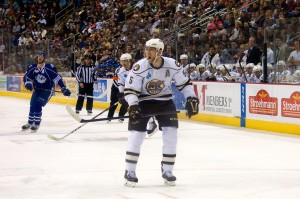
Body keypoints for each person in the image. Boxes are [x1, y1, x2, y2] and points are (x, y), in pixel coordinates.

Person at [123, 38, 199, 187]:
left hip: (165, 102)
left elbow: (184, 84)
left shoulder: (172, 65)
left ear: (159, 51)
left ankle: (168, 170)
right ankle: (129, 171)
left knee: (171, 135)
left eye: (151, 49)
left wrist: (191, 98)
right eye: (146, 49)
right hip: (143, 102)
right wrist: (133, 105)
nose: (147, 52)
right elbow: (130, 90)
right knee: (136, 136)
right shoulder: (139, 67)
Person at [107, 53, 158, 136]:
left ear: (130, 61)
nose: (124, 63)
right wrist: (121, 93)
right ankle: (145, 124)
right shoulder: (120, 71)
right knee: (135, 108)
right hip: (130, 92)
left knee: (143, 106)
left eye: (125, 61)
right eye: (122, 61)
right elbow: (121, 83)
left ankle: (151, 123)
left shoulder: (137, 67)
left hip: (140, 90)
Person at [22, 51, 71, 132]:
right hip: (37, 89)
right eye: (38, 56)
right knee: (32, 105)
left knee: (37, 104)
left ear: (44, 58)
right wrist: (28, 83)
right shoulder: (33, 67)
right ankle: (30, 122)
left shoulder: (49, 68)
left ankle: (36, 123)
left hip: (47, 90)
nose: (39, 58)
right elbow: (26, 77)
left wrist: (63, 88)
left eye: (41, 56)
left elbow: (57, 78)